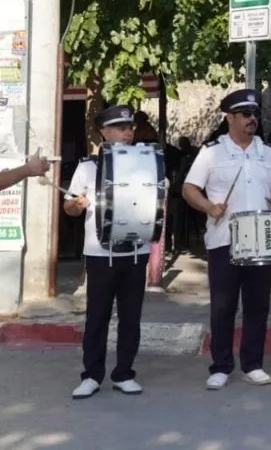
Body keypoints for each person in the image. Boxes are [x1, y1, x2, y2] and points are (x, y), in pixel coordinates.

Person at [181, 89, 271, 389]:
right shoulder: (212, 151)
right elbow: (189, 188)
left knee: (258, 305)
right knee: (223, 305)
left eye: (254, 114)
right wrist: (208, 206)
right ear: (230, 117)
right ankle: (221, 365)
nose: (252, 119)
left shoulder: (267, 152)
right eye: (245, 114)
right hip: (224, 239)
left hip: (260, 239)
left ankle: (253, 363)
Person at [65, 105, 149, 399]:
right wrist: (77, 205)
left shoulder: (147, 163)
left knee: (131, 317)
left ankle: (124, 373)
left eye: (130, 128)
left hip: (136, 250)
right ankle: (91, 375)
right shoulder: (89, 167)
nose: (128, 133)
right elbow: (70, 206)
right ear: (104, 133)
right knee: (97, 316)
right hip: (101, 253)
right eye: (121, 128)